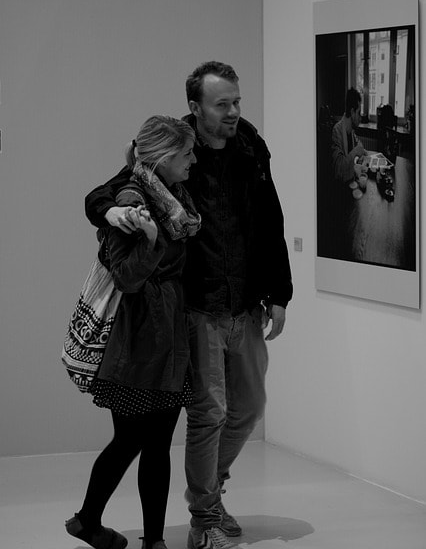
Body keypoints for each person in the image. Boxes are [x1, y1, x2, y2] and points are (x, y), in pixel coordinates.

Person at [84, 61, 293, 549]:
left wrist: (279, 293)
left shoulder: (251, 148)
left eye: (237, 101)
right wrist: (110, 210)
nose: (234, 112)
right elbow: (104, 193)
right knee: (210, 412)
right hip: (197, 306)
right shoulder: (175, 151)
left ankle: (209, 492)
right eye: (223, 105)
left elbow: (271, 221)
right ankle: (203, 518)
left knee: (250, 406)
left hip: (246, 302)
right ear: (196, 107)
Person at [66, 115, 200, 549]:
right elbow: (126, 277)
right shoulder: (132, 200)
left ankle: (151, 540)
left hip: (167, 337)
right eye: (186, 154)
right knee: (133, 439)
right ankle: (90, 522)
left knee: (155, 441)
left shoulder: (174, 196)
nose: (193, 161)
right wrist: (150, 238)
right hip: (137, 339)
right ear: (162, 158)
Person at [331, 87, 367, 184]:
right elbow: (338, 170)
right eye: (359, 113)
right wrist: (355, 151)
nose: (360, 118)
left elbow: (359, 144)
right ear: (352, 112)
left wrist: (361, 152)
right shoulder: (337, 131)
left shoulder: (351, 132)